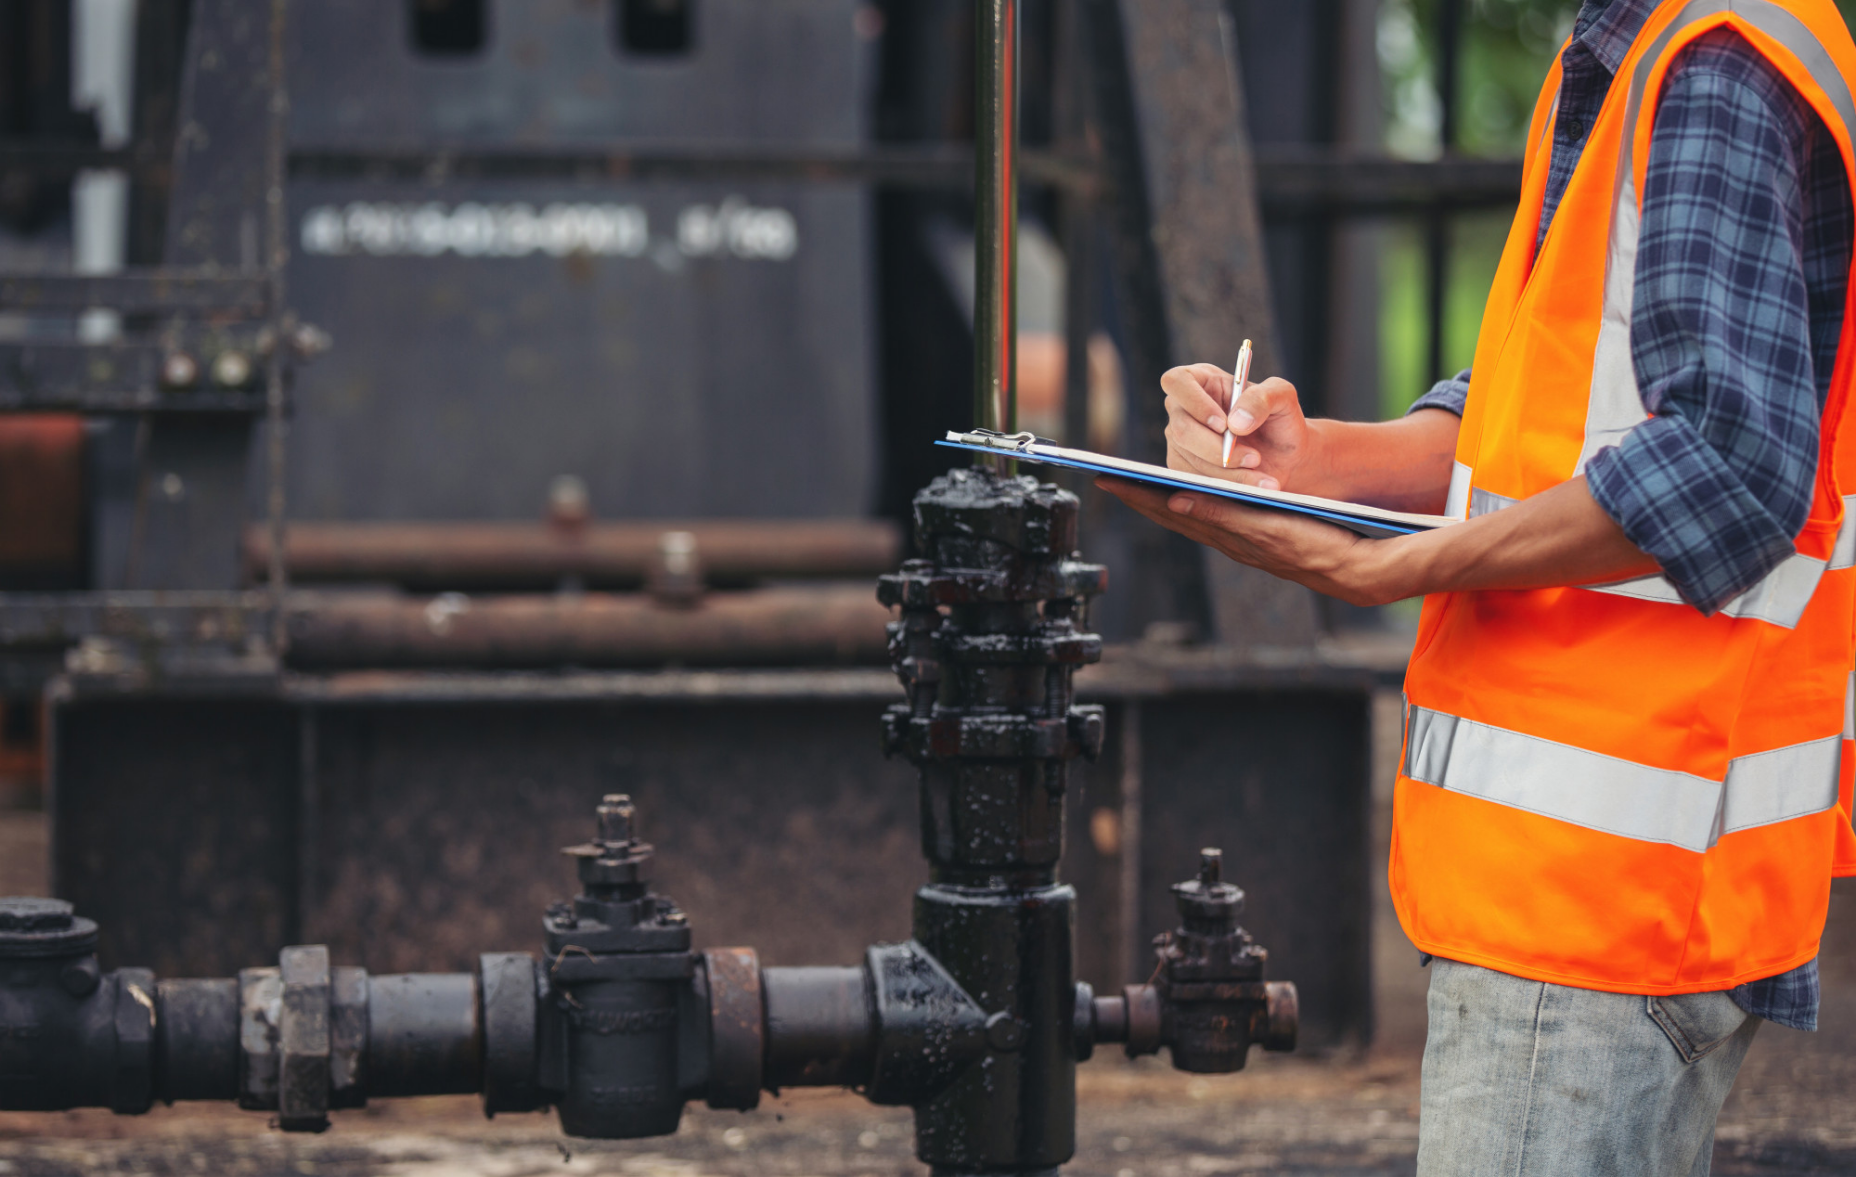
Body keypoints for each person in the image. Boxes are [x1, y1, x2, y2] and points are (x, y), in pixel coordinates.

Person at [1098, 1, 1856, 1172]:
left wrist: (1400, 565)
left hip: (1600, 905)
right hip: (1593, 898)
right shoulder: (1625, 59)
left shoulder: (1710, 67)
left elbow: (1725, 461)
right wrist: (1314, 463)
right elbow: (1547, 418)